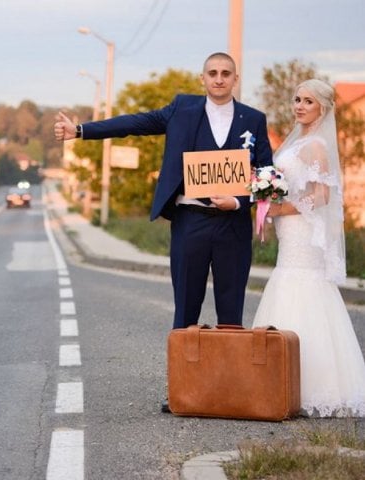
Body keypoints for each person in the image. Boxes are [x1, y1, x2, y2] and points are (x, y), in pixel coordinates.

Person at [55, 52, 272, 331]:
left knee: (231, 313)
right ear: (202, 78)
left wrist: (240, 201)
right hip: (190, 221)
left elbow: (267, 172)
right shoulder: (182, 109)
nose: (219, 79)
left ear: (235, 79)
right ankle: (184, 374)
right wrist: (81, 130)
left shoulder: (253, 119)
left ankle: (225, 374)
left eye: (225, 74)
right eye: (213, 73)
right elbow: (135, 123)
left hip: (233, 226)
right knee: (185, 309)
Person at [251, 79, 365, 417]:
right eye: (297, 99)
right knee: (286, 282)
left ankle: (313, 383)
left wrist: (281, 208)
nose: (299, 106)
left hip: (303, 230)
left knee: (301, 286)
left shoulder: (316, 145)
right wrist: (267, 199)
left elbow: (322, 196)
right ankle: (278, 382)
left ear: (323, 108)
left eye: (308, 102)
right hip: (290, 230)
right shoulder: (295, 141)